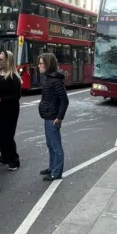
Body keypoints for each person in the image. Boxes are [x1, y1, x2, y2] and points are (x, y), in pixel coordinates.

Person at [38, 53, 69, 181]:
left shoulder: (55, 81)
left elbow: (64, 100)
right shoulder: (48, 78)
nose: (38, 65)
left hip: (53, 118)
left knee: (56, 147)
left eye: (41, 63)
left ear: (48, 64)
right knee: (50, 145)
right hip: (47, 116)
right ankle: (52, 168)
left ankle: (56, 173)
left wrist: (59, 117)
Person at [0, 51, 22, 171]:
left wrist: (1, 99)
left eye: (1, 60)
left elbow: (16, 96)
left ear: (8, 61)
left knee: (8, 136)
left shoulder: (13, 77)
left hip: (10, 111)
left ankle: (14, 160)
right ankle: (4, 156)